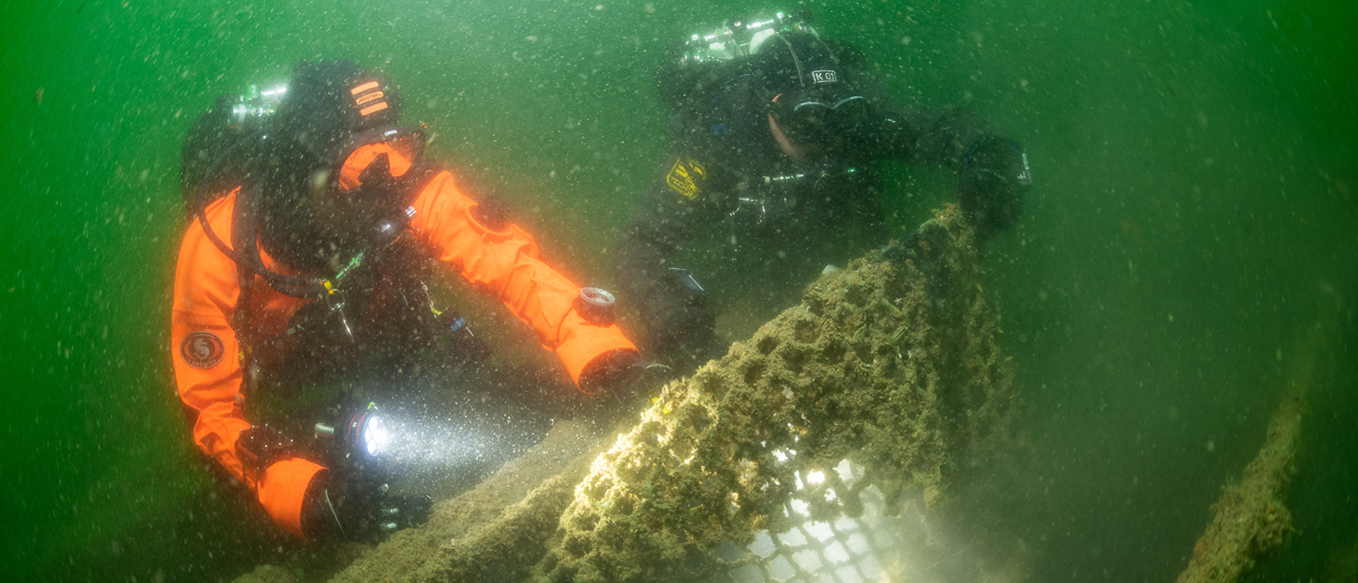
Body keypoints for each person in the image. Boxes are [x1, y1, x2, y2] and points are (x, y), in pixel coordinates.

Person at [172, 59, 641, 543]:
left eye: (395, 152)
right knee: (264, 516)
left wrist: (603, 353)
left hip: (399, 353)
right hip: (293, 402)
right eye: (359, 174)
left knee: (504, 388)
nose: (385, 187)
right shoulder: (217, 249)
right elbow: (210, 412)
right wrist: (304, 496)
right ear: (300, 174)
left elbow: (508, 263)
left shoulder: (402, 184)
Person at [615, 15, 1033, 370]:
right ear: (768, 104)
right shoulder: (713, 139)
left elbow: (948, 128)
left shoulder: (856, 116)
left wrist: (993, 165)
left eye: (836, 115)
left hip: (837, 242)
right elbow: (640, 246)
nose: (823, 134)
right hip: (749, 252)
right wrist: (681, 329)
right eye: (805, 118)